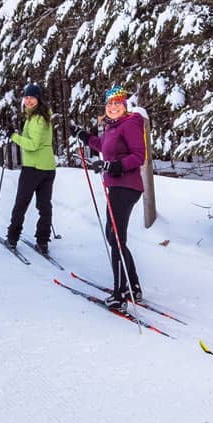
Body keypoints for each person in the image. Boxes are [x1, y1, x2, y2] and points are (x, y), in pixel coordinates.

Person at [77, 85, 146, 307]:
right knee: (114, 236)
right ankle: (132, 287)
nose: (113, 106)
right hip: (116, 187)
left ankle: (120, 293)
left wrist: (113, 166)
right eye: (109, 103)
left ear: (124, 105)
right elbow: (104, 147)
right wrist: (84, 136)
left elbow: (138, 156)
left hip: (127, 185)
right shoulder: (112, 128)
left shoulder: (130, 124)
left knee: (116, 238)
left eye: (117, 103)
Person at [2, 83, 57, 255]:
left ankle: (12, 238)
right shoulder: (42, 117)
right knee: (44, 206)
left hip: (33, 168)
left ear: (38, 99)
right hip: (47, 167)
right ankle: (42, 241)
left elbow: (32, 145)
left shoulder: (37, 119)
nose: (28, 100)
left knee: (21, 203)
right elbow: (36, 139)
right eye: (26, 97)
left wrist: (13, 136)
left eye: (32, 97)